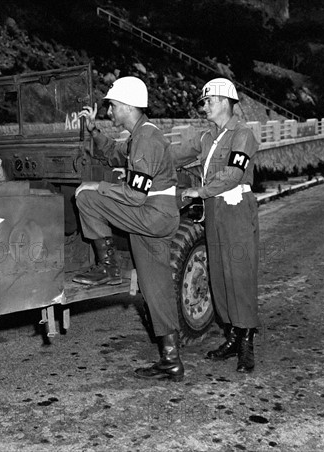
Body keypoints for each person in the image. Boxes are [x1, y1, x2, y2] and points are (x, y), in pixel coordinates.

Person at [75, 76, 183, 382]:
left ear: (127, 106)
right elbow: (114, 153)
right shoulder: (142, 135)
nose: (110, 112)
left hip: (151, 213)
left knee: (86, 197)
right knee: (155, 286)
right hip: (155, 217)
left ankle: (107, 267)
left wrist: (99, 185)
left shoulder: (146, 139)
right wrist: (94, 129)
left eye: (112, 106)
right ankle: (171, 360)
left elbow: (136, 195)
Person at [172, 77, 260, 373]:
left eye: (209, 101)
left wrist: (201, 190)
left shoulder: (243, 135)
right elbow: (174, 155)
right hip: (214, 210)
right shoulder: (207, 137)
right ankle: (232, 335)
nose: (204, 106)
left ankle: (246, 341)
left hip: (235, 208)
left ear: (225, 102)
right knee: (219, 275)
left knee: (240, 273)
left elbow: (234, 173)